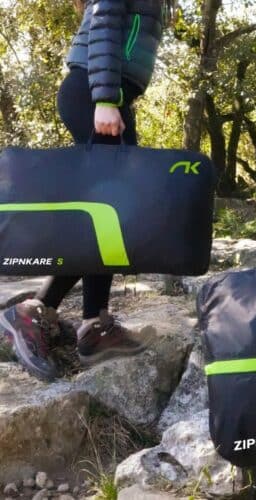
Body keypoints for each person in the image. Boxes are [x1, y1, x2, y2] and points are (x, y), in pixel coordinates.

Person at [0, 0, 170, 382]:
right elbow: (105, 22)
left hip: (108, 95)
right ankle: (35, 313)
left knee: (109, 214)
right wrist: (105, 98)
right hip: (94, 92)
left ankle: (91, 323)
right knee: (110, 213)